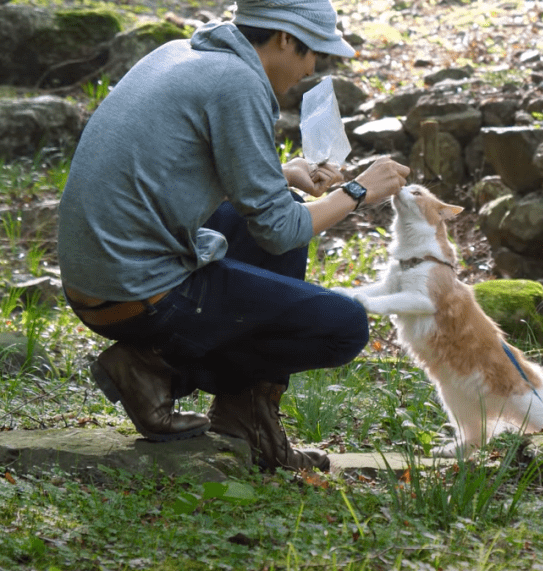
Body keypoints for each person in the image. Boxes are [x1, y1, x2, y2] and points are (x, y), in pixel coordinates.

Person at [57, 0, 410, 472]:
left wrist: (279, 172)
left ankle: (245, 417)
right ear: (285, 38)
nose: (310, 69)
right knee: (344, 326)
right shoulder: (239, 82)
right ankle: (152, 366)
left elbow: (177, 166)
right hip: (134, 293)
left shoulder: (182, 52)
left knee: (277, 212)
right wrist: (357, 190)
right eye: (313, 54)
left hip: (96, 278)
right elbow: (281, 230)